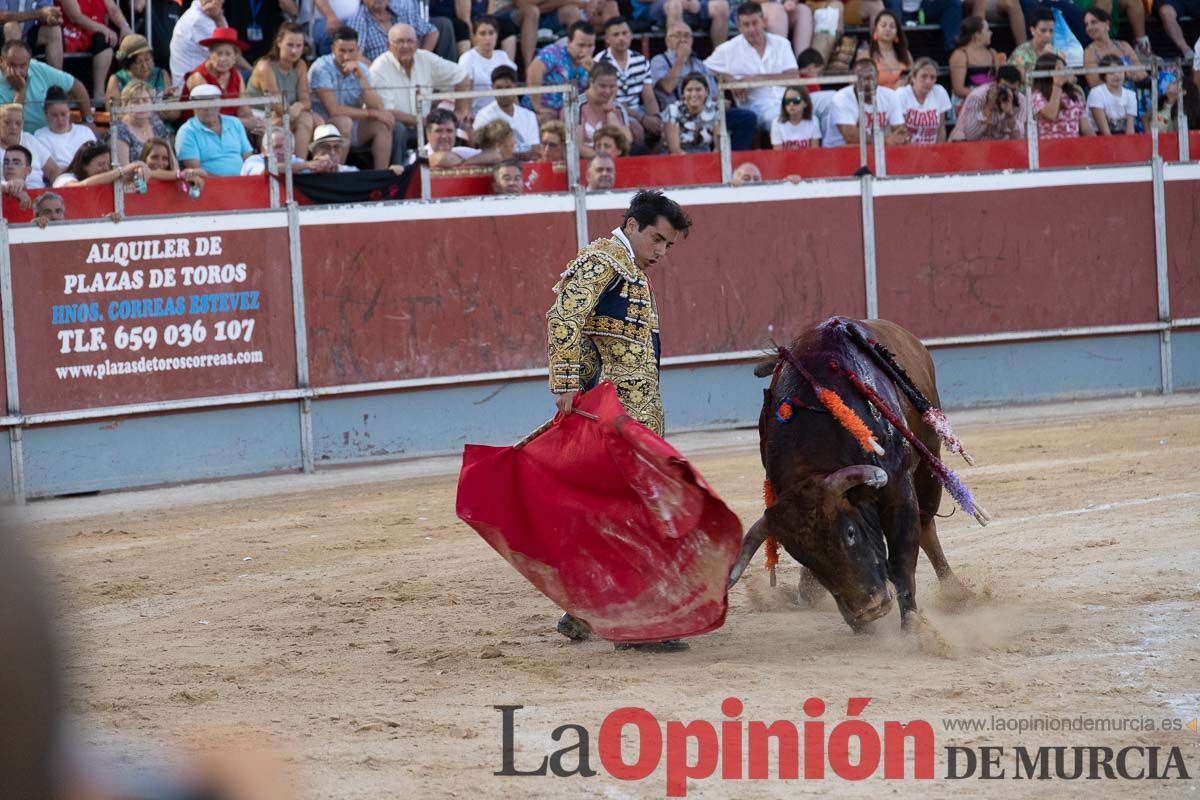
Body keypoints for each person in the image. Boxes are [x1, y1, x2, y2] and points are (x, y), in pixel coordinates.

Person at [547, 191, 692, 652]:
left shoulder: (628, 268)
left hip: (632, 417)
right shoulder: (603, 261)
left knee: (620, 512)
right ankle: (634, 625)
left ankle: (583, 611)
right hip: (616, 419)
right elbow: (563, 318)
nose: (661, 252)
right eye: (656, 239)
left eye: (668, 245)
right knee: (636, 512)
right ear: (631, 225)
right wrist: (567, 382)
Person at [651, 22, 757, 151]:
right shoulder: (659, 60)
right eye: (677, 36)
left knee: (746, 118)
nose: (683, 40)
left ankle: (733, 162)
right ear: (667, 41)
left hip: (706, 114)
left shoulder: (699, 64)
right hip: (676, 117)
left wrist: (720, 102)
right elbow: (667, 87)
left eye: (687, 36)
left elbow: (712, 95)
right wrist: (680, 59)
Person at [371, 22, 470, 155]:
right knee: (397, 129)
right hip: (397, 126)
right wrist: (426, 121)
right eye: (399, 42)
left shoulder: (425, 58)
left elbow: (462, 76)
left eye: (410, 41)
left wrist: (460, 111)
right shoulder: (379, 68)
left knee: (451, 126)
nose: (405, 46)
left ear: (417, 43)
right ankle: (401, 172)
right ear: (388, 45)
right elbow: (388, 112)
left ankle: (447, 167)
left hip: (425, 125)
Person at [310, 25, 398, 169]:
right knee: (345, 122)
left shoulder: (361, 69)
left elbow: (378, 106)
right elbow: (334, 110)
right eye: (342, 51)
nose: (346, 56)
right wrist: (372, 113)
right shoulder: (321, 68)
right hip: (324, 125)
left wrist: (361, 77)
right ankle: (338, 172)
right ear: (333, 49)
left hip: (353, 124)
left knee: (383, 125)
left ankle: (381, 178)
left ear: (357, 50)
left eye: (351, 51)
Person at [704, 3, 799, 130]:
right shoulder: (728, 49)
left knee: (828, 102)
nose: (751, 29)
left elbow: (794, 77)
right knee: (783, 119)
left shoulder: (781, 43)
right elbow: (703, 68)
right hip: (758, 108)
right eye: (746, 25)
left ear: (764, 22)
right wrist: (727, 77)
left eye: (755, 23)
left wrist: (755, 80)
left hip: (790, 100)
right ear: (739, 27)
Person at [247, 23, 321, 159]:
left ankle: (315, 165)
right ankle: (299, 165)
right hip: (262, 116)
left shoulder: (300, 65)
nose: (294, 51)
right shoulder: (265, 66)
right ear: (279, 42)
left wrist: (299, 106)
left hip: (286, 113)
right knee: (306, 119)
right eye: (290, 45)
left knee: (316, 120)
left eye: (299, 46)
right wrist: (298, 110)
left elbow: (305, 100)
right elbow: (278, 106)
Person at [0, 39, 92, 133]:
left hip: (52, 135)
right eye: (12, 65)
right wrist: (21, 91)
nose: (18, 71)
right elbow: (11, 127)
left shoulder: (37, 67)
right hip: (17, 140)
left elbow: (76, 86)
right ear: (1, 61)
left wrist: (88, 120)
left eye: (23, 66)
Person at [596, 16, 662, 144]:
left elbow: (648, 95)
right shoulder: (600, 63)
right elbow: (606, 101)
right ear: (607, 39)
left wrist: (655, 118)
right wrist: (641, 118)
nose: (621, 38)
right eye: (615, 35)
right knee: (636, 130)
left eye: (624, 33)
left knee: (665, 126)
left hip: (638, 109)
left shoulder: (641, 60)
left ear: (631, 35)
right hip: (612, 111)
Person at [59, 0, 132, 103]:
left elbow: (112, 9)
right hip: (72, 35)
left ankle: (100, 94)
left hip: (96, 35)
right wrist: (103, 29)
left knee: (110, 40)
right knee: (106, 36)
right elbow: (75, 16)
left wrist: (124, 26)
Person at [183, 26, 254, 131]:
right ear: (210, 54)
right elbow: (209, 117)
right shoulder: (199, 77)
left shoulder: (237, 75)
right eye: (218, 53)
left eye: (228, 54)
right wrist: (242, 122)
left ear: (235, 57)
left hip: (231, 126)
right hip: (201, 129)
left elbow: (243, 109)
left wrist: (254, 121)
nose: (222, 59)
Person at [175, 82, 254, 175]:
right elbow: (196, 172)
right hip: (210, 185)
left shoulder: (234, 123)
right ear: (193, 106)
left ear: (219, 104)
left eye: (212, 104)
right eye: (202, 106)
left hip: (243, 181)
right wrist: (227, 184)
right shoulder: (187, 131)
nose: (208, 109)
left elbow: (248, 159)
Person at [169, 0, 247, 90]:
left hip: (215, 74)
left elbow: (231, 49)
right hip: (193, 86)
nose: (220, 1)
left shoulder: (214, 14)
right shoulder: (197, 19)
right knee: (255, 74)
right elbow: (230, 53)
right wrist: (252, 70)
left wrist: (219, 19)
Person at [826, 58, 905, 146]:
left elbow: (899, 131)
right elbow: (850, 137)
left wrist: (899, 137)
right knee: (853, 145)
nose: (867, 83)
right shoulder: (841, 97)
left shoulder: (890, 95)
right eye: (861, 79)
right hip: (839, 152)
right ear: (853, 79)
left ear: (878, 76)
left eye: (871, 78)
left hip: (876, 150)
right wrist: (884, 141)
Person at [527, 20, 594, 121]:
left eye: (590, 46)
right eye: (581, 45)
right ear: (569, 43)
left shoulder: (593, 65)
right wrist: (538, 107)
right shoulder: (554, 53)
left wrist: (592, 73)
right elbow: (533, 71)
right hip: (541, 110)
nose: (585, 51)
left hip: (571, 113)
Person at [473, 64, 540, 155]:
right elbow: (489, 150)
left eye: (508, 87)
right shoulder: (484, 115)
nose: (504, 93)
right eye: (499, 88)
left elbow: (535, 149)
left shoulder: (529, 116)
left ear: (515, 87)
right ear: (492, 87)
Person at [459, 15, 517, 115]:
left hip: (503, 112)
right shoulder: (467, 58)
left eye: (491, 33)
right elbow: (466, 96)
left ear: (497, 35)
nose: (488, 38)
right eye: (482, 34)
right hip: (478, 114)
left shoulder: (502, 56)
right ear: (474, 37)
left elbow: (513, 90)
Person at [949, 63, 1025, 139]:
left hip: (1000, 145)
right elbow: (970, 135)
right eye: (1004, 88)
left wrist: (1010, 115)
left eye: (1013, 90)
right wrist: (988, 107)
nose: (1009, 92)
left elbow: (1019, 139)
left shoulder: (1021, 101)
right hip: (968, 144)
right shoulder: (977, 96)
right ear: (994, 83)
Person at [1030, 52, 1093, 139]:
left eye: (1064, 67)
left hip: (1073, 146)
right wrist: (1057, 85)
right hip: (1049, 147)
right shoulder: (1037, 95)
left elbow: (1085, 128)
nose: (1064, 71)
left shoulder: (1075, 94)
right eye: (1059, 69)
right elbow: (1051, 114)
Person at [350, 0, 437, 62]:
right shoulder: (359, 19)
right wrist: (375, 71)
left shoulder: (401, 12)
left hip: (410, 67)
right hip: (382, 77)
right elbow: (355, 53)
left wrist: (420, 59)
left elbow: (432, 32)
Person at [578, 61, 633, 158]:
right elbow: (577, 146)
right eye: (603, 86)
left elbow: (626, 142)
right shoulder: (577, 106)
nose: (607, 91)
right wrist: (602, 159)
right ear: (591, 82)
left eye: (612, 86)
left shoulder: (618, 108)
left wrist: (610, 112)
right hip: (585, 162)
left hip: (613, 161)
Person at [104, 33, 174, 109]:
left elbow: (174, 113)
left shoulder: (161, 74)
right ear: (128, 65)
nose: (145, 66)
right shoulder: (117, 80)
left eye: (147, 59)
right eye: (139, 62)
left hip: (160, 120)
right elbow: (113, 113)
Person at [1081, 6, 1145, 89]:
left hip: (1133, 92)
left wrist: (1113, 75)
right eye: (1086, 25)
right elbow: (1094, 84)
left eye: (1093, 22)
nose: (1089, 28)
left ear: (1107, 23)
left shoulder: (1124, 46)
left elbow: (1143, 74)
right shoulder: (1089, 52)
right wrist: (1126, 74)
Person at [33, 85, 96, 168]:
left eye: (63, 114)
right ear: (46, 114)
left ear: (69, 112)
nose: (60, 119)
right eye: (54, 115)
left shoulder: (84, 132)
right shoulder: (40, 136)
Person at [110, 80, 171, 164]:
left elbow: (172, 161)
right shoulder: (119, 130)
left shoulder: (157, 124)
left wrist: (178, 175)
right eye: (135, 102)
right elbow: (124, 172)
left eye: (145, 100)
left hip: (163, 175)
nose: (141, 105)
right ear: (125, 105)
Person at [0, 101, 57, 186]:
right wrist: (6, 186)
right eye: (7, 122)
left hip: (39, 195)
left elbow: (53, 170)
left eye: (18, 123)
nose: (13, 127)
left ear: (23, 124)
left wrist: (63, 184)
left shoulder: (29, 140)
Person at [663, 71, 722, 154]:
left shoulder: (714, 110)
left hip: (706, 158)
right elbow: (675, 150)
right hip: (677, 160)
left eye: (698, 90)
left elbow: (719, 147)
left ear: (707, 92)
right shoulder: (673, 111)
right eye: (689, 90)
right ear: (683, 93)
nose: (693, 94)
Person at [896, 56, 950, 144]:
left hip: (932, 151)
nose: (928, 81)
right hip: (907, 150)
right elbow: (900, 132)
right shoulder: (901, 94)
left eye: (932, 77)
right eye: (924, 76)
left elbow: (941, 129)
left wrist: (939, 152)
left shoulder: (940, 92)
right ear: (913, 77)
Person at [52, 140, 149, 187]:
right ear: (85, 165)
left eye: (108, 164)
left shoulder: (106, 179)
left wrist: (140, 169)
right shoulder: (65, 178)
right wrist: (122, 170)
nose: (106, 168)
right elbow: (80, 186)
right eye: (101, 164)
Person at [421, 106, 493, 166]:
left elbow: (495, 155)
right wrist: (466, 164)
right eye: (438, 131)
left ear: (455, 133)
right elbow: (443, 158)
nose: (444, 136)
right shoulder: (421, 153)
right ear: (428, 134)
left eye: (449, 131)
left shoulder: (460, 151)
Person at [882, 0, 961, 54]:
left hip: (923, 8)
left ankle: (952, 51)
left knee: (953, 3)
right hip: (895, 7)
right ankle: (893, 49)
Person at [948, 16, 998, 102]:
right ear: (977, 35)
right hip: (967, 101)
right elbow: (958, 89)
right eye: (987, 30)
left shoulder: (992, 53)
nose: (991, 32)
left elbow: (999, 80)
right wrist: (983, 96)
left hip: (991, 101)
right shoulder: (960, 55)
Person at [0, 1, 62, 70]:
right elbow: (2, 16)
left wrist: (50, 19)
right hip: (3, 36)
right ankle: (13, 76)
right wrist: (39, 13)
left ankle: (56, 79)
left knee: (54, 30)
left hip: (27, 33)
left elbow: (45, 13)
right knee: (12, 26)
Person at [1087, 54, 1136, 135]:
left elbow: (1130, 129)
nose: (1117, 75)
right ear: (1104, 76)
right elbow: (1104, 132)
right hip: (1099, 137)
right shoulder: (1096, 93)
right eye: (1111, 73)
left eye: (1120, 71)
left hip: (1122, 138)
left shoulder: (1131, 95)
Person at [863, 9, 911, 89]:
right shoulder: (866, 55)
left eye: (892, 26)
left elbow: (915, 80)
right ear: (876, 30)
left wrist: (906, 81)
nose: (888, 29)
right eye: (883, 25)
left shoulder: (905, 54)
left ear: (897, 32)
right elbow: (858, 85)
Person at [141, 135, 207, 192]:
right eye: (154, 157)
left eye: (165, 159)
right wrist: (181, 175)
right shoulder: (137, 173)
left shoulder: (175, 179)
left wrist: (192, 174)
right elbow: (152, 173)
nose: (160, 163)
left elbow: (203, 174)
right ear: (145, 157)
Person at [1009, 8, 1061, 77]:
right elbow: (1025, 80)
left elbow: (1068, 78)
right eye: (1043, 31)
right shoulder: (1021, 53)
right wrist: (1043, 58)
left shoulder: (1058, 54)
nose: (1048, 35)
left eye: (1051, 31)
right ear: (1032, 30)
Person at [1, 142, 32, 207]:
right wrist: (8, 186)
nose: (9, 166)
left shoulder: (37, 193)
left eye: (16, 163)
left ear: (28, 170)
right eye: (6, 162)